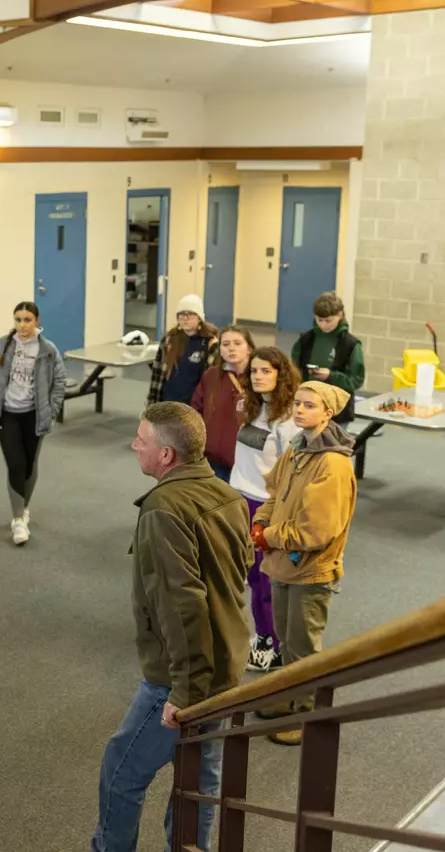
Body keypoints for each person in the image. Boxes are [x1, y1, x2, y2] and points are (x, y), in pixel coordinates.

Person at [91, 402, 252, 852]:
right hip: (226, 666)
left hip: (181, 676)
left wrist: (182, 691)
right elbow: (238, 571)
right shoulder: (229, 494)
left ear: (166, 456)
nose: (134, 445)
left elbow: (182, 607)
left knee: (121, 772)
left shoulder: (163, 509)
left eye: (141, 439)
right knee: (200, 777)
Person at [251, 381, 356, 745]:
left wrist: (270, 537)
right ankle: (289, 699)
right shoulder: (297, 449)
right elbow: (275, 494)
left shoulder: (333, 463)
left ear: (328, 412)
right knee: (286, 641)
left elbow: (317, 531)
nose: (299, 410)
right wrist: (261, 521)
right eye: (297, 403)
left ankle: (305, 715)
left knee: (305, 647)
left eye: (310, 406)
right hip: (283, 563)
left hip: (311, 570)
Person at [229, 347, 301, 675]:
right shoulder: (250, 407)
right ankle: (264, 635)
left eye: (265, 371)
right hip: (239, 499)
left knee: (264, 578)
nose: (258, 376)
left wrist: (281, 514)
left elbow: (293, 471)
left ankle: (269, 641)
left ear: (280, 375)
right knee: (249, 575)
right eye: (254, 371)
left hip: (265, 506)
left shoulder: (289, 420)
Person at [0, 301, 67, 546]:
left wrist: (51, 411)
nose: (22, 325)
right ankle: (18, 520)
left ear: (37, 321)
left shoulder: (47, 349)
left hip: (34, 415)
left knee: (30, 464)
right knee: (16, 464)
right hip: (7, 414)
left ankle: (24, 506)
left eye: (27, 320)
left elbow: (59, 381)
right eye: (18, 319)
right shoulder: (3, 344)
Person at [190, 324, 255, 482]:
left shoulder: (259, 378)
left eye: (237, 343)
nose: (231, 348)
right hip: (212, 460)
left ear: (249, 348)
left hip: (245, 462)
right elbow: (195, 411)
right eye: (225, 344)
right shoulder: (211, 376)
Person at [290, 291, 364, 427]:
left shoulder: (351, 344)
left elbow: (356, 380)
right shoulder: (305, 340)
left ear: (340, 315)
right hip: (307, 409)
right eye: (319, 320)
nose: (324, 325)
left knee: (332, 447)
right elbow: (293, 371)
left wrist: (331, 376)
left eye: (328, 321)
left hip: (337, 413)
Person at [146, 295, 219, 407]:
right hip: (167, 402)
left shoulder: (210, 344)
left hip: (193, 406)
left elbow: (212, 381)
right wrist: (151, 405)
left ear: (199, 318)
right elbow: (157, 374)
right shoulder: (169, 340)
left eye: (190, 314)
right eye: (181, 314)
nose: (185, 318)